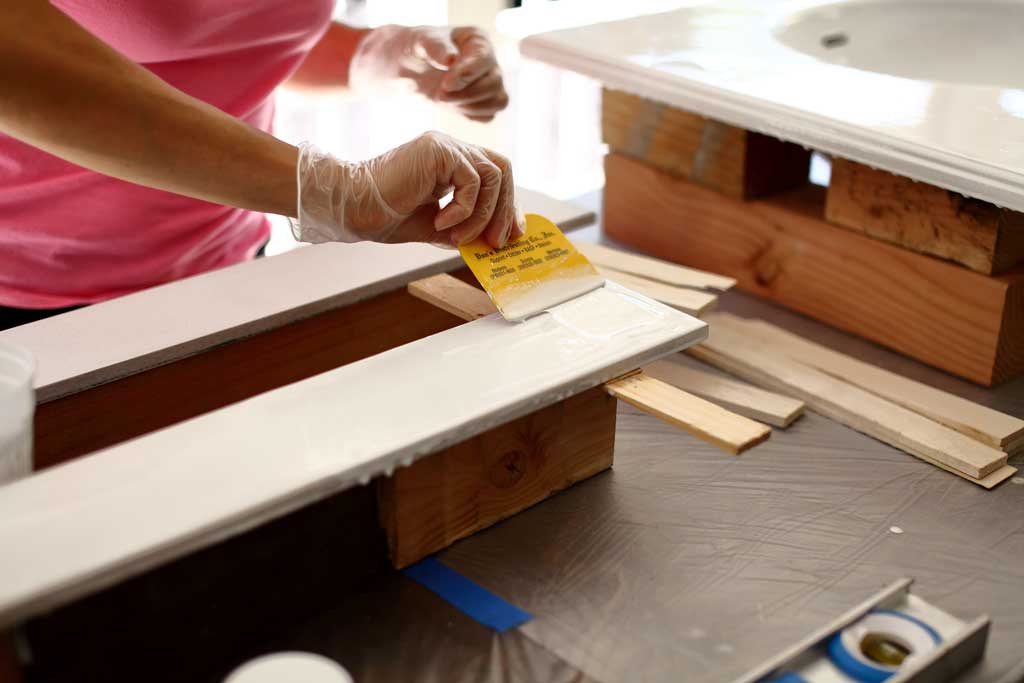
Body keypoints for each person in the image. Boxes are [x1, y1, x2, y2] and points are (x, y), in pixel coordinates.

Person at [0, 1, 519, 331]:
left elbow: (224, 25)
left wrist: (379, 57)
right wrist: (338, 192)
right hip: (30, 300)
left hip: (228, 267)